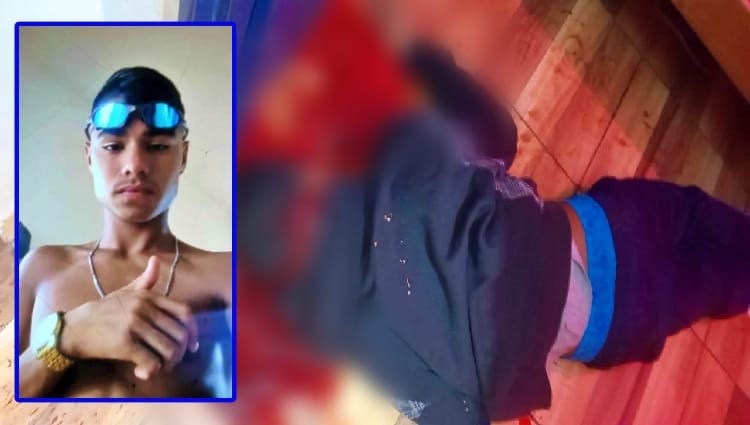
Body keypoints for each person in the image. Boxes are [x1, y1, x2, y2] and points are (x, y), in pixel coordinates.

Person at [239, 1, 750, 423]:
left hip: (605, 331)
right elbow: (493, 134)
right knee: (690, 219)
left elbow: (446, 409)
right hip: (603, 238)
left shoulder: (345, 332)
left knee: (707, 282)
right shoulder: (394, 158)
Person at [18, 67, 232, 398]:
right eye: (114, 146)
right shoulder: (41, 267)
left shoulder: (229, 275)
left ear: (184, 156)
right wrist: (67, 336)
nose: (135, 165)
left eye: (157, 146)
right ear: (89, 157)